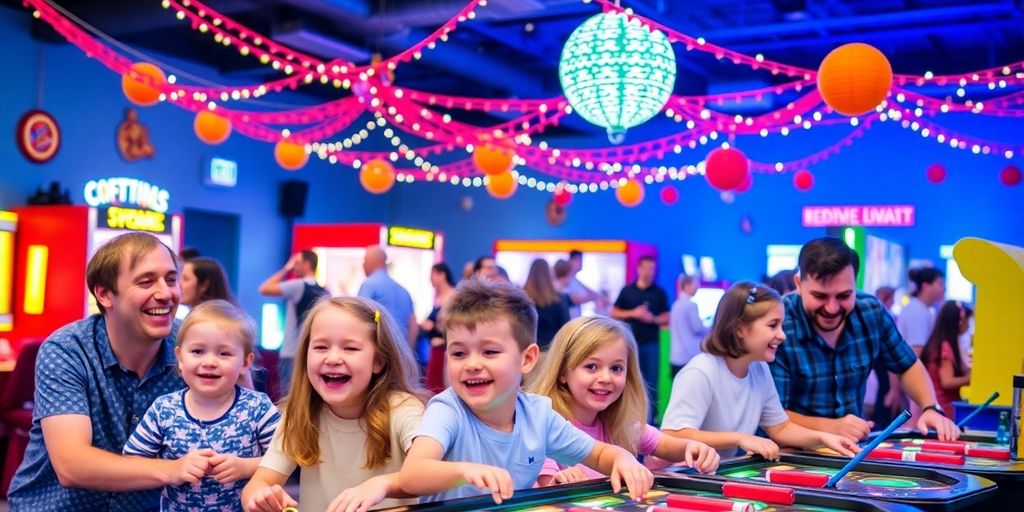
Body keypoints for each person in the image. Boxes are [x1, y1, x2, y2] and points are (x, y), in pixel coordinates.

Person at [398, 280, 654, 504]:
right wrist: (465, 472)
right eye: (459, 353)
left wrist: (623, 459)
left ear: (527, 358)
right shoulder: (448, 409)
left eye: (489, 352)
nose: (472, 364)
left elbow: (599, 453)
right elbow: (412, 475)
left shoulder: (538, 414)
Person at [8, 232, 195, 510]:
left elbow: (245, 429)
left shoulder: (194, 345)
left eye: (170, 279)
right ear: (105, 294)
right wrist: (172, 470)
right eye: (146, 282)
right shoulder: (68, 349)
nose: (166, 293)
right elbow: (72, 466)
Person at [241, 297, 426, 512]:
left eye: (350, 348)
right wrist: (259, 496)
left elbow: (427, 474)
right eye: (321, 347)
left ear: (378, 361)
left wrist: (381, 485)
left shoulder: (404, 410)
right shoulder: (300, 414)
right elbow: (257, 485)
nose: (333, 358)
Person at [771, 237, 959, 442]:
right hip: (788, 453)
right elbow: (770, 414)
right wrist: (831, 427)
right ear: (799, 284)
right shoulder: (777, 322)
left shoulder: (870, 311)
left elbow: (906, 364)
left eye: (844, 296)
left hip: (852, 452)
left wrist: (930, 407)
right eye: (820, 296)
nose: (832, 308)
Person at [661, 282, 859, 459]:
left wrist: (823, 438)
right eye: (773, 325)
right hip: (683, 475)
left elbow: (780, 428)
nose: (782, 335)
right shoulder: (701, 372)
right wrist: (739, 438)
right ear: (739, 329)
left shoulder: (759, 369)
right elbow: (673, 435)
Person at [123, 300, 280, 510]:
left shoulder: (258, 408)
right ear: (180, 357)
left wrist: (245, 467)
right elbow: (132, 460)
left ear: (245, 362)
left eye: (224, 353)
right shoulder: (164, 409)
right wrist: (173, 468)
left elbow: (286, 459)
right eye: (198, 351)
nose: (209, 362)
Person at [529, 317, 719, 486]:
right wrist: (560, 481)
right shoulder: (547, 426)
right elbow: (545, 487)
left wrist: (693, 448)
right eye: (591, 366)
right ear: (563, 372)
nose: (606, 378)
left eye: (616, 368)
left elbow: (665, 445)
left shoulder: (620, 424)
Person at [259, 250, 329, 393]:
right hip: (311, 352)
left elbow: (264, 289)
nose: (294, 267)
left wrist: (286, 269)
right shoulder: (325, 292)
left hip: (291, 353)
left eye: (296, 263)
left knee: (288, 397)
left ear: (307, 264)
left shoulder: (298, 285)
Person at [611, 256, 669, 411]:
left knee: (650, 382)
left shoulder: (659, 293)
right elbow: (614, 312)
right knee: (628, 380)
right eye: (647, 268)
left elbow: (666, 316)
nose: (649, 272)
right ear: (639, 269)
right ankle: (625, 414)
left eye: (652, 269)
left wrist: (653, 319)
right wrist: (633, 313)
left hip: (651, 344)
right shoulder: (627, 291)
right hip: (628, 344)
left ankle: (650, 418)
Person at [358, 245, 417, 351]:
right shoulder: (404, 291)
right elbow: (413, 326)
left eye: (364, 260)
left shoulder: (369, 285)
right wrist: (407, 352)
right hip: (400, 352)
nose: (363, 265)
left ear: (372, 261)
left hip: (379, 351)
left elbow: (361, 317)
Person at [921, 301, 973, 417]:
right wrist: (970, 379)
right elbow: (947, 382)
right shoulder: (945, 347)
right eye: (967, 320)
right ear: (958, 322)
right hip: (944, 409)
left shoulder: (941, 344)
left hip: (938, 408)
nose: (968, 325)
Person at [422, 262, 457, 394]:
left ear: (442, 275)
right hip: (435, 349)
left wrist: (432, 326)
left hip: (444, 350)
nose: (430, 279)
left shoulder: (453, 297)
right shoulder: (439, 298)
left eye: (432, 275)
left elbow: (451, 326)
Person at [522, 259, 571, 350]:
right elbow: (566, 328)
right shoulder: (559, 299)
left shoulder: (522, 299)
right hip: (551, 351)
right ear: (550, 274)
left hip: (527, 350)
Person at [898, 267, 946, 354]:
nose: (944, 288)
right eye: (940, 284)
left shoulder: (922, 309)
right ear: (926, 286)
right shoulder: (916, 312)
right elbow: (917, 351)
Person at [669, 275, 707, 375]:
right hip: (688, 357)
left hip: (675, 357)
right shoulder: (691, 305)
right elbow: (697, 328)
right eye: (695, 285)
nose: (698, 288)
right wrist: (710, 328)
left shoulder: (675, 305)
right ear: (686, 286)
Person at [563, 250, 601, 317]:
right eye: (579, 260)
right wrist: (587, 297)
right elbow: (571, 299)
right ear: (571, 261)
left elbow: (595, 295)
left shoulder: (575, 280)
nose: (581, 263)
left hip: (575, 318)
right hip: (567, 319)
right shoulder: (565, 279)